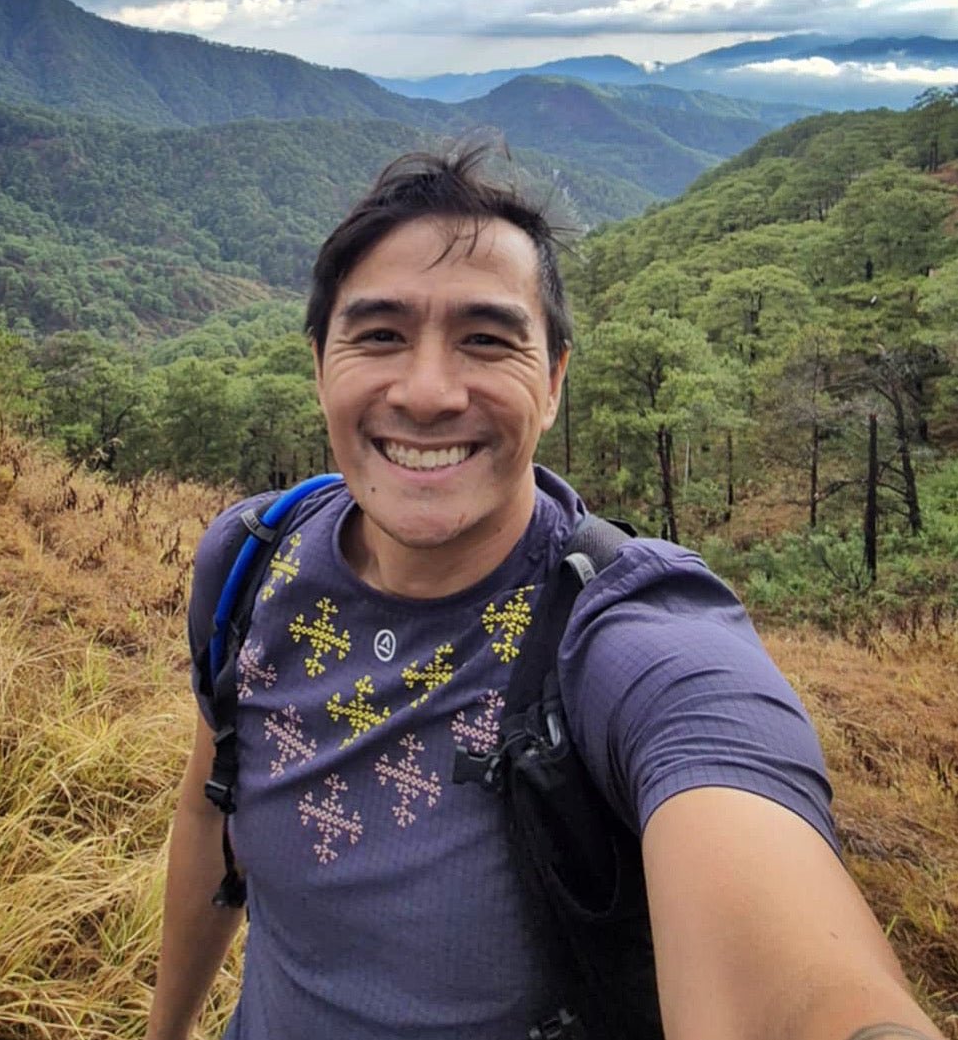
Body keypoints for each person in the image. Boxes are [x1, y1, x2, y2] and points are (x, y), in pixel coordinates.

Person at [146, 145, 943, 1040]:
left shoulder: (623, 634)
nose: (428, 391)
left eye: (486, 339)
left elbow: (799, 978)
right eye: (377, 335)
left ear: (555, 379)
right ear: (319, 364)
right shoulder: (252, 562)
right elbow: (209, 804)